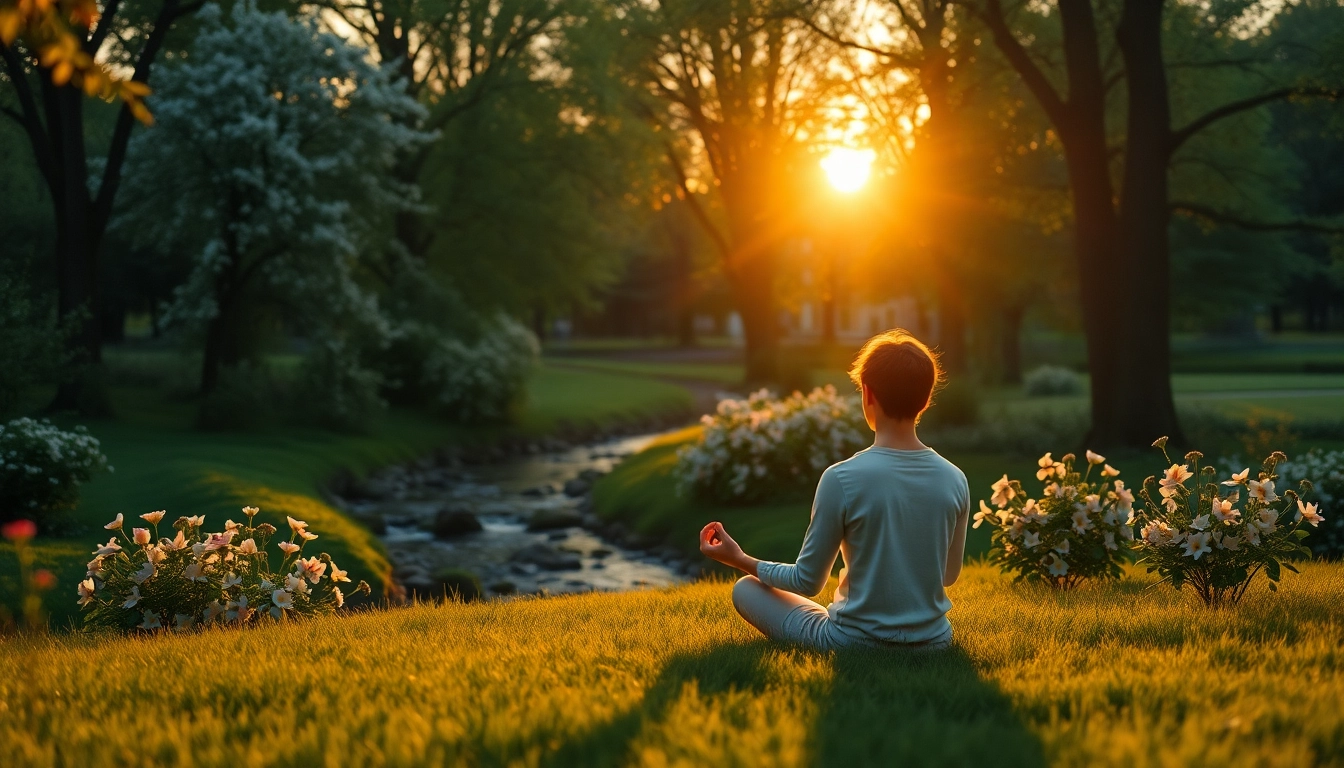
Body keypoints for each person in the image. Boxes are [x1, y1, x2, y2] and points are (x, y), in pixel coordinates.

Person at [699, 330, 970, 651]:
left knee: (746, 589)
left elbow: (807, 582)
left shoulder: (841, 477)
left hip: (852, 642)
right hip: (936, 641)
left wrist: (739, 558)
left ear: (867, 394)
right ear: (925, 399)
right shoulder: (955, 478)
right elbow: (948, 576)